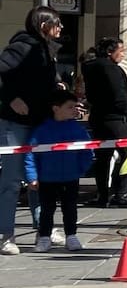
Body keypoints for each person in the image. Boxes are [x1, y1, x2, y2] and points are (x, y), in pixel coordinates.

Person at [0, 6, 64, 254]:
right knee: (12, 181)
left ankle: (44, 230)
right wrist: (10, 98)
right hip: (16, 123)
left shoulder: (46, 51)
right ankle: (6, 235)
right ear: (44, 25)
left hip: (40, 123)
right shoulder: (24, 46)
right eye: (57, 24)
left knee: (40, 179)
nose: (60, 29)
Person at [24, 87, 92, 252]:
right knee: (46, 209)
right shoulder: (41, 131)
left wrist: (81, 169)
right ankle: (44, 237)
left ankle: (71, 236)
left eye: (75, 106)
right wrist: (32, 176)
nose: (75, 110)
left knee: (70, 207)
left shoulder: (77, 129)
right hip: (47, 178)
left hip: (70, 176)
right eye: (70, 107)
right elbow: (30, 154)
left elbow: (87, 150)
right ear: (56, 108)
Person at [82, 37, 127, 207]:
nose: (123, 54)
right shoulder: (113, 70)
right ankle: (119, 194)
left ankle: (102, 195)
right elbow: (119, 95)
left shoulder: (89, 68)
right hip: (116, 119)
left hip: (98, 118)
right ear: (109, 52)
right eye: (120, 51)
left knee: (103, 157)